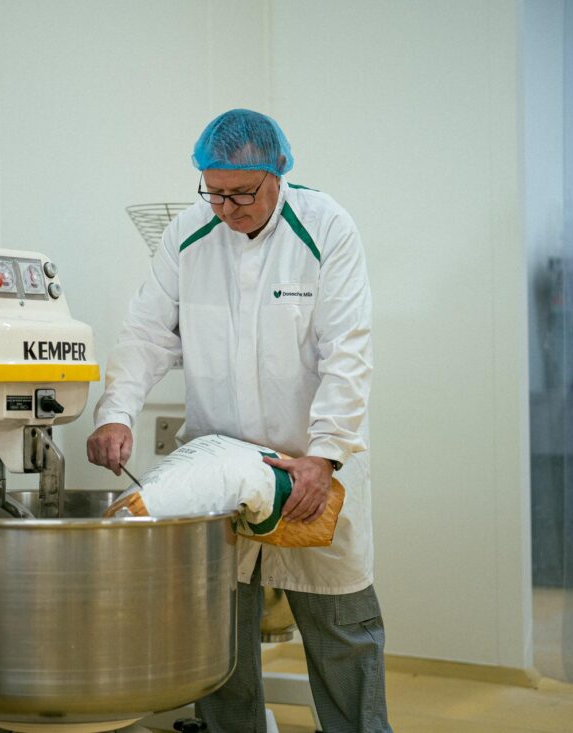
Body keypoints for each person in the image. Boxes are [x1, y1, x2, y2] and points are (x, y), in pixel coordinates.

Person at [86, 109, 390, 733]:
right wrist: (116, 413)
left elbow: (347, 351)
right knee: (219, 643)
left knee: (342, 633)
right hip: (220, 471)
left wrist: (325, 454)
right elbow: (146, 333)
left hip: (310, 466)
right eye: (214, 192)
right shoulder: (188, 234)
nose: (226, 208)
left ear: (278, 173)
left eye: (242, 194)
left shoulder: (326, 228)